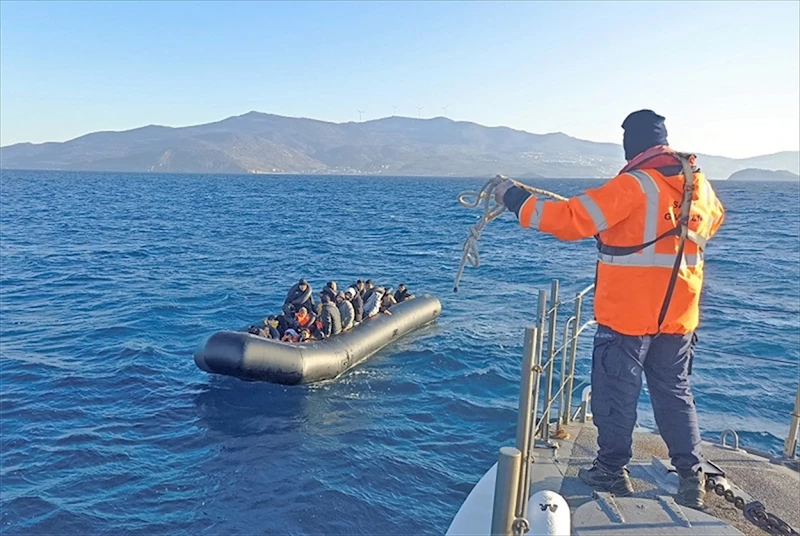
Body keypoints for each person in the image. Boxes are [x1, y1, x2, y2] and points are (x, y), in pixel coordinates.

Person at [494, 110, 724, 508]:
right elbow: (710, 223)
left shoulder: (634, 185)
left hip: (627, 316)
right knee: (675, 394)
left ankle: (611, 470)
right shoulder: (699, 188)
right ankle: (691, 477)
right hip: (678, 317)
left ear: (631, 145)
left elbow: (568, 221)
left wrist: (512, 197)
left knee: (616, 392)